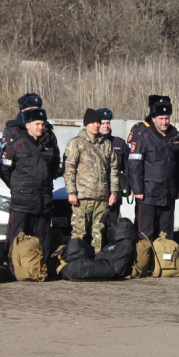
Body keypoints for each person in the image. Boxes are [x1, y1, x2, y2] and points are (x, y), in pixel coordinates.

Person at [0, 107, 61, 264]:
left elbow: (54, 169)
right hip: (22, 202)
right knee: (17, 238)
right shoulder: (16, 145)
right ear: (27, 125)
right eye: (37, 124)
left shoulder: (50, 145)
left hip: (43, 201)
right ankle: (13, 268)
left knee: (43, 238)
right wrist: (17, 186)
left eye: (42, 124)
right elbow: (4, 169)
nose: (41, 127)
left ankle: (40, 268)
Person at [63, 108, 119, 254]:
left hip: (101, 197)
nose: (96, 125)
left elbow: (113, 169)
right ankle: (76, 259)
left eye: (97, 123)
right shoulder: (76, 143)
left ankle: (96, 262)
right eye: (92, 123)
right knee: (79, 232)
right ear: (86, 124)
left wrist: (113, 192)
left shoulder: (106, 144)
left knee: (98, 232)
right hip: (82, 197)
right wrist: (71, 192)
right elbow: (69, 169)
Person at [127, 98, 179, 240]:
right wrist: (138, 189)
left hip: (168, 193)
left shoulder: (175, 136)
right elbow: (135, 165)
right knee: (146, 234)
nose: (164, 122)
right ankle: (145, 261)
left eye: (167, 118)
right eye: (161, 118)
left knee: (166, 234)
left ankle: (164, 262)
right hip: (148, 194)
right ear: (153, 119)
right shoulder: (143, 136)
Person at [97, 108, 128, 227]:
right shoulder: (92, 144)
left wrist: (126, 187)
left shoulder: (119, 143)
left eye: (108, 123)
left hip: (114, 192)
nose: (106, 126)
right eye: (103, 123)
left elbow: (127, 168)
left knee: (113, 225)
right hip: (97, 192)